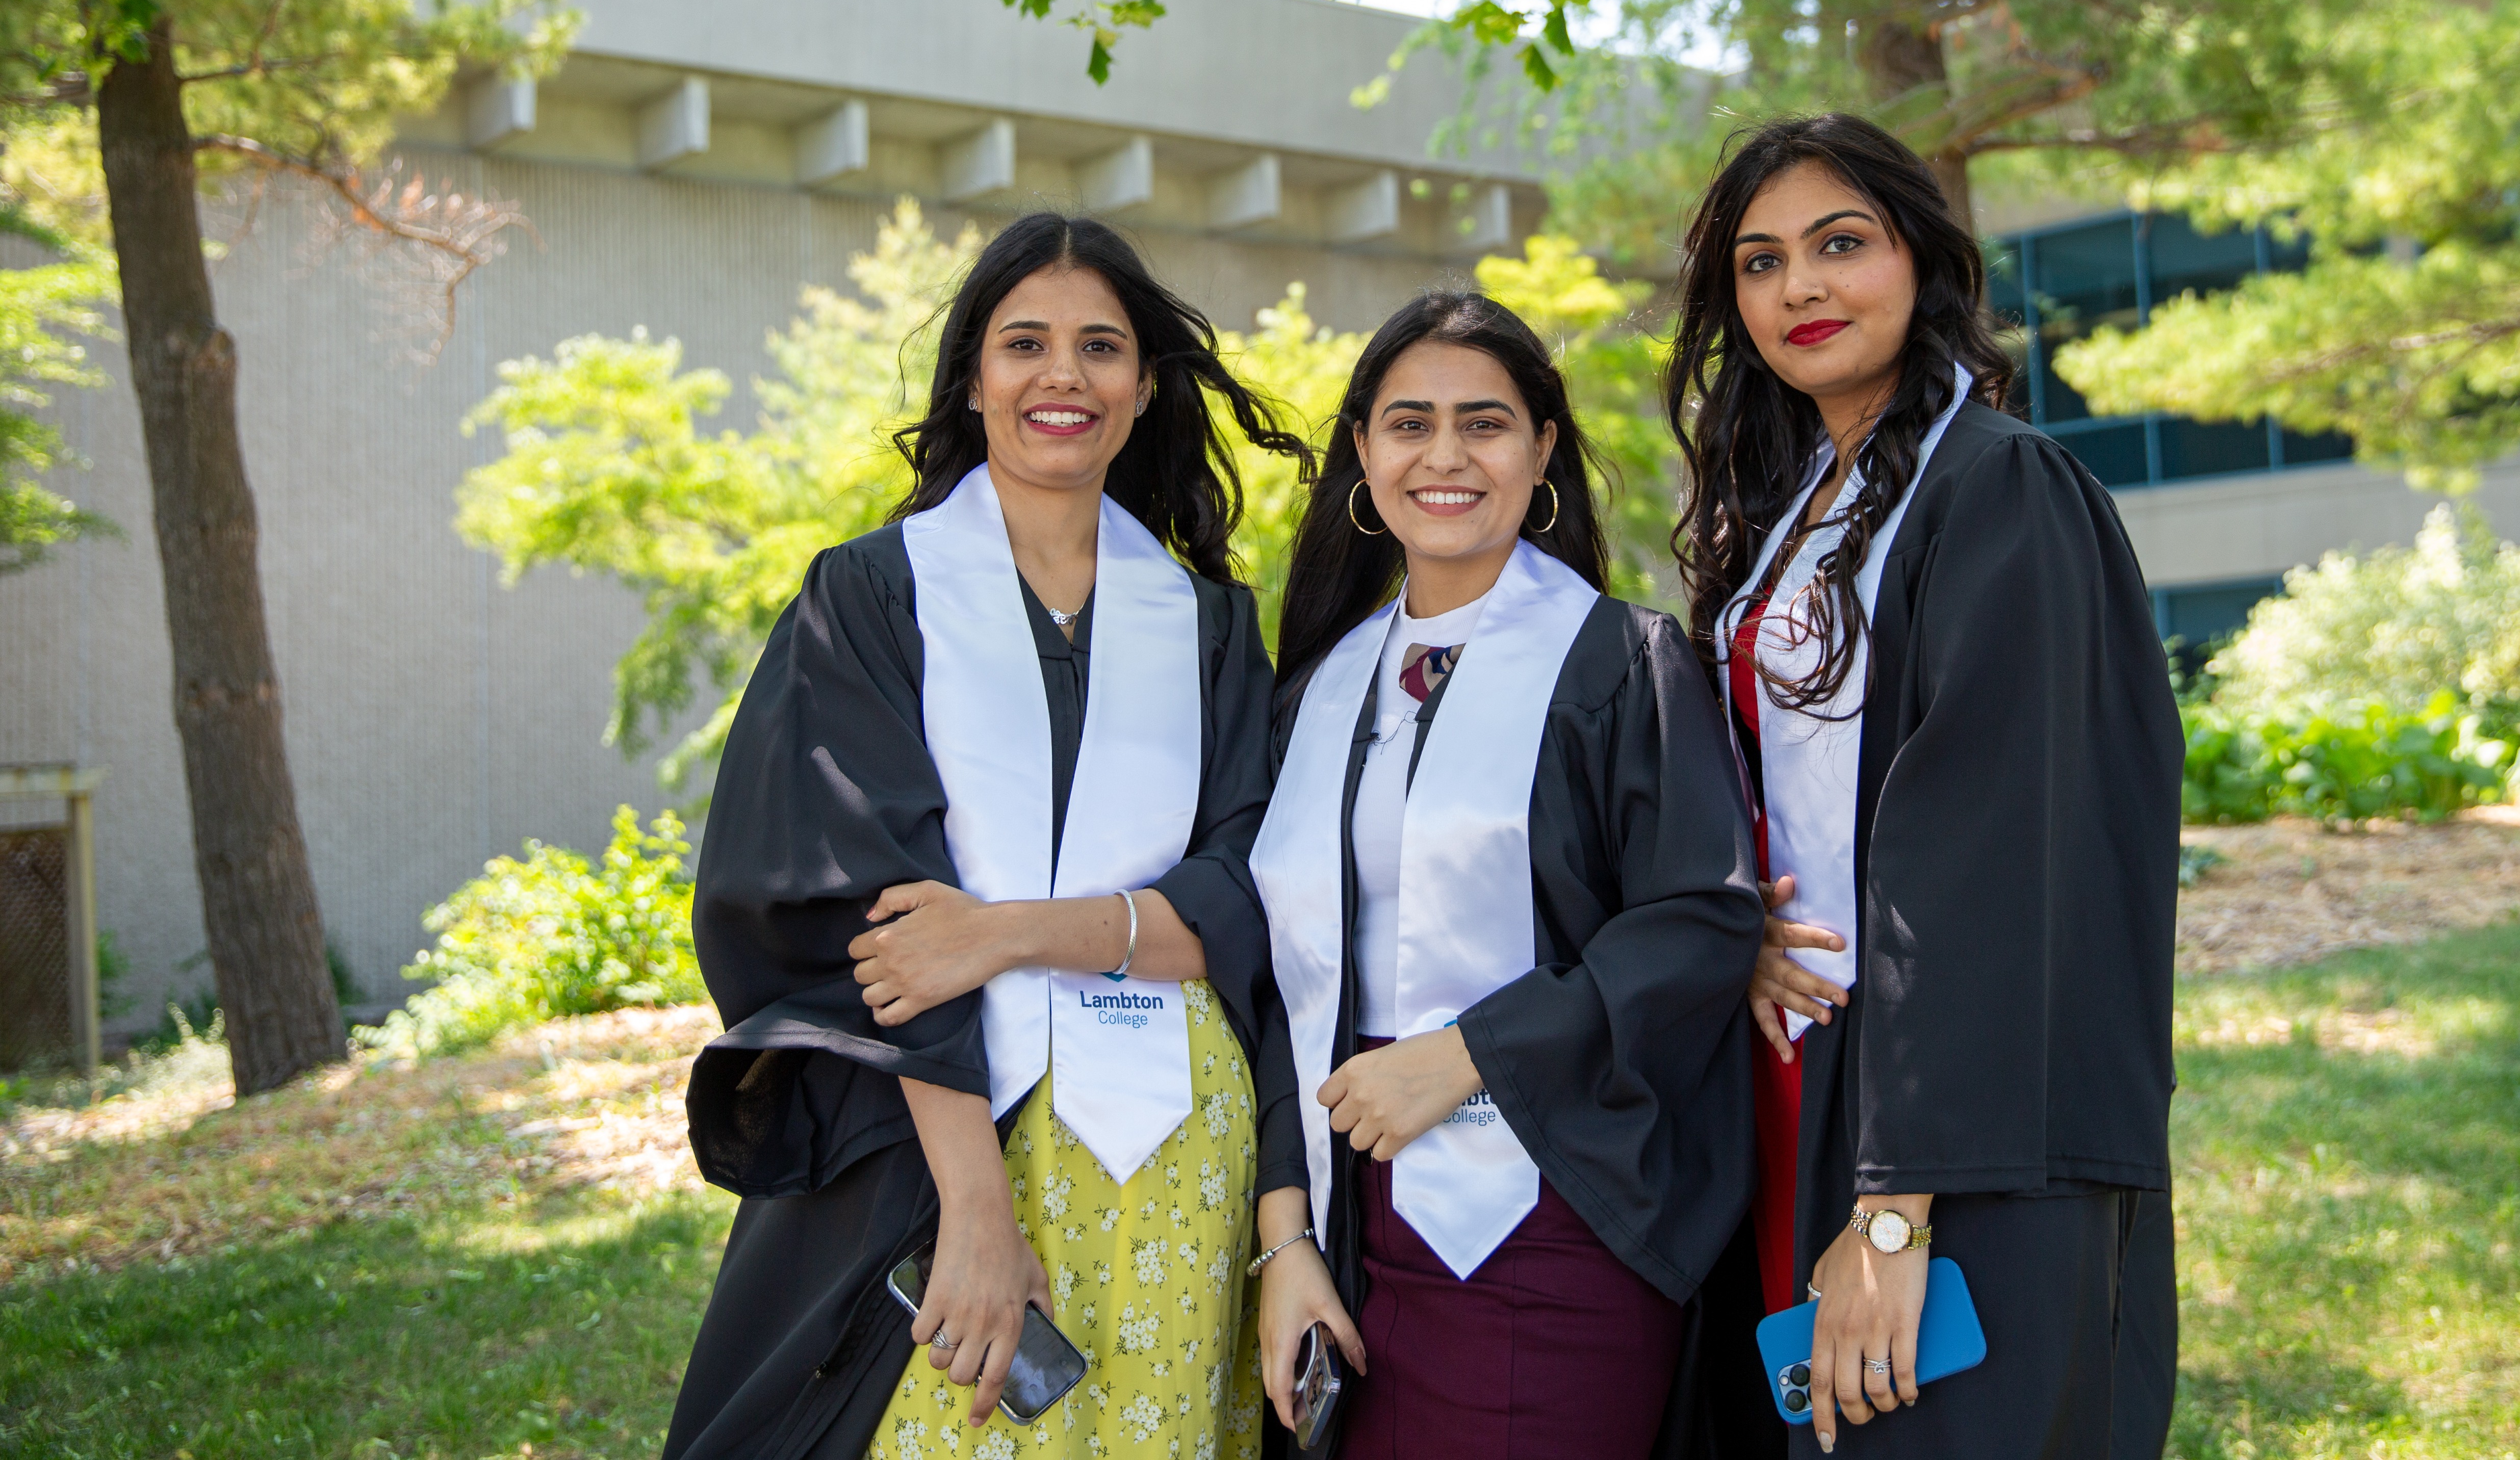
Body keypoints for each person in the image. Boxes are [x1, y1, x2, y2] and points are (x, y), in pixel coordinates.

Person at [663, 212, 1311, 1460]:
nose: (1062, 375)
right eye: (1025, 343)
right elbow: (870, 918)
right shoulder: (872, 595)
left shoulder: (1210, 626)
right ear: (974, 377)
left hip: (1174, 1153)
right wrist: (975, 1211)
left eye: (1100, 348)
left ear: (1140, 390)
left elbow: (1239, 901)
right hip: (936, 1148)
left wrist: (1003, 934)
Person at [1666, 114, 2183, 1458]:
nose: (1801, 290)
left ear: (1922, 258)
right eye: (1761, 262)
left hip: (1954, 1115)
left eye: (1842, 244)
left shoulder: (2002, 490)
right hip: (1799, 1081)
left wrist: (1896, 1207)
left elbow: (1996, 856)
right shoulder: (1792, 507)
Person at [1237, 292, 1763, 1458]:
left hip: (1553, 1204)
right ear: (1363, 455)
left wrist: (1467, 1054)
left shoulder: (1624, 663)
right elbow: (1276, 980)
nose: (1444, 455)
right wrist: (1287, 1239)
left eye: (1485, 423)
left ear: (1541, 456)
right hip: (1344, 1209)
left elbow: (1696, 924)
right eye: (1407, 422)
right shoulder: (1319, 694)